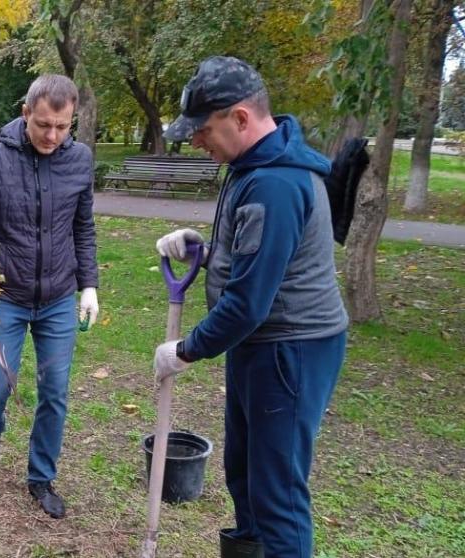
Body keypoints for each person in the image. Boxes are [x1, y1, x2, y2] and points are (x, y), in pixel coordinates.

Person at [153, 56, 348, 558]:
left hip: (290, 349)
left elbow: (248, 302)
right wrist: (206, 251)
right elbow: (257, 258)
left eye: (203, 130)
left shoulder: (275, 183)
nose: (197, 142)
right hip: (259, 343)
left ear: (240, 118)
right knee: (244, 473)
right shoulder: (252, 166)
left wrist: (185, 350)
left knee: (276, 494)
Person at [0, 74, 99, 519]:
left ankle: (41, 477)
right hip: (5, 296)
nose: (52, 136)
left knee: (55, 390)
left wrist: (89, 285)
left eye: (63, 127)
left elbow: (83, 227)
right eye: (44, 124)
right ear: (26, 112)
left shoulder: (79, 161)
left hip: (58, 297)